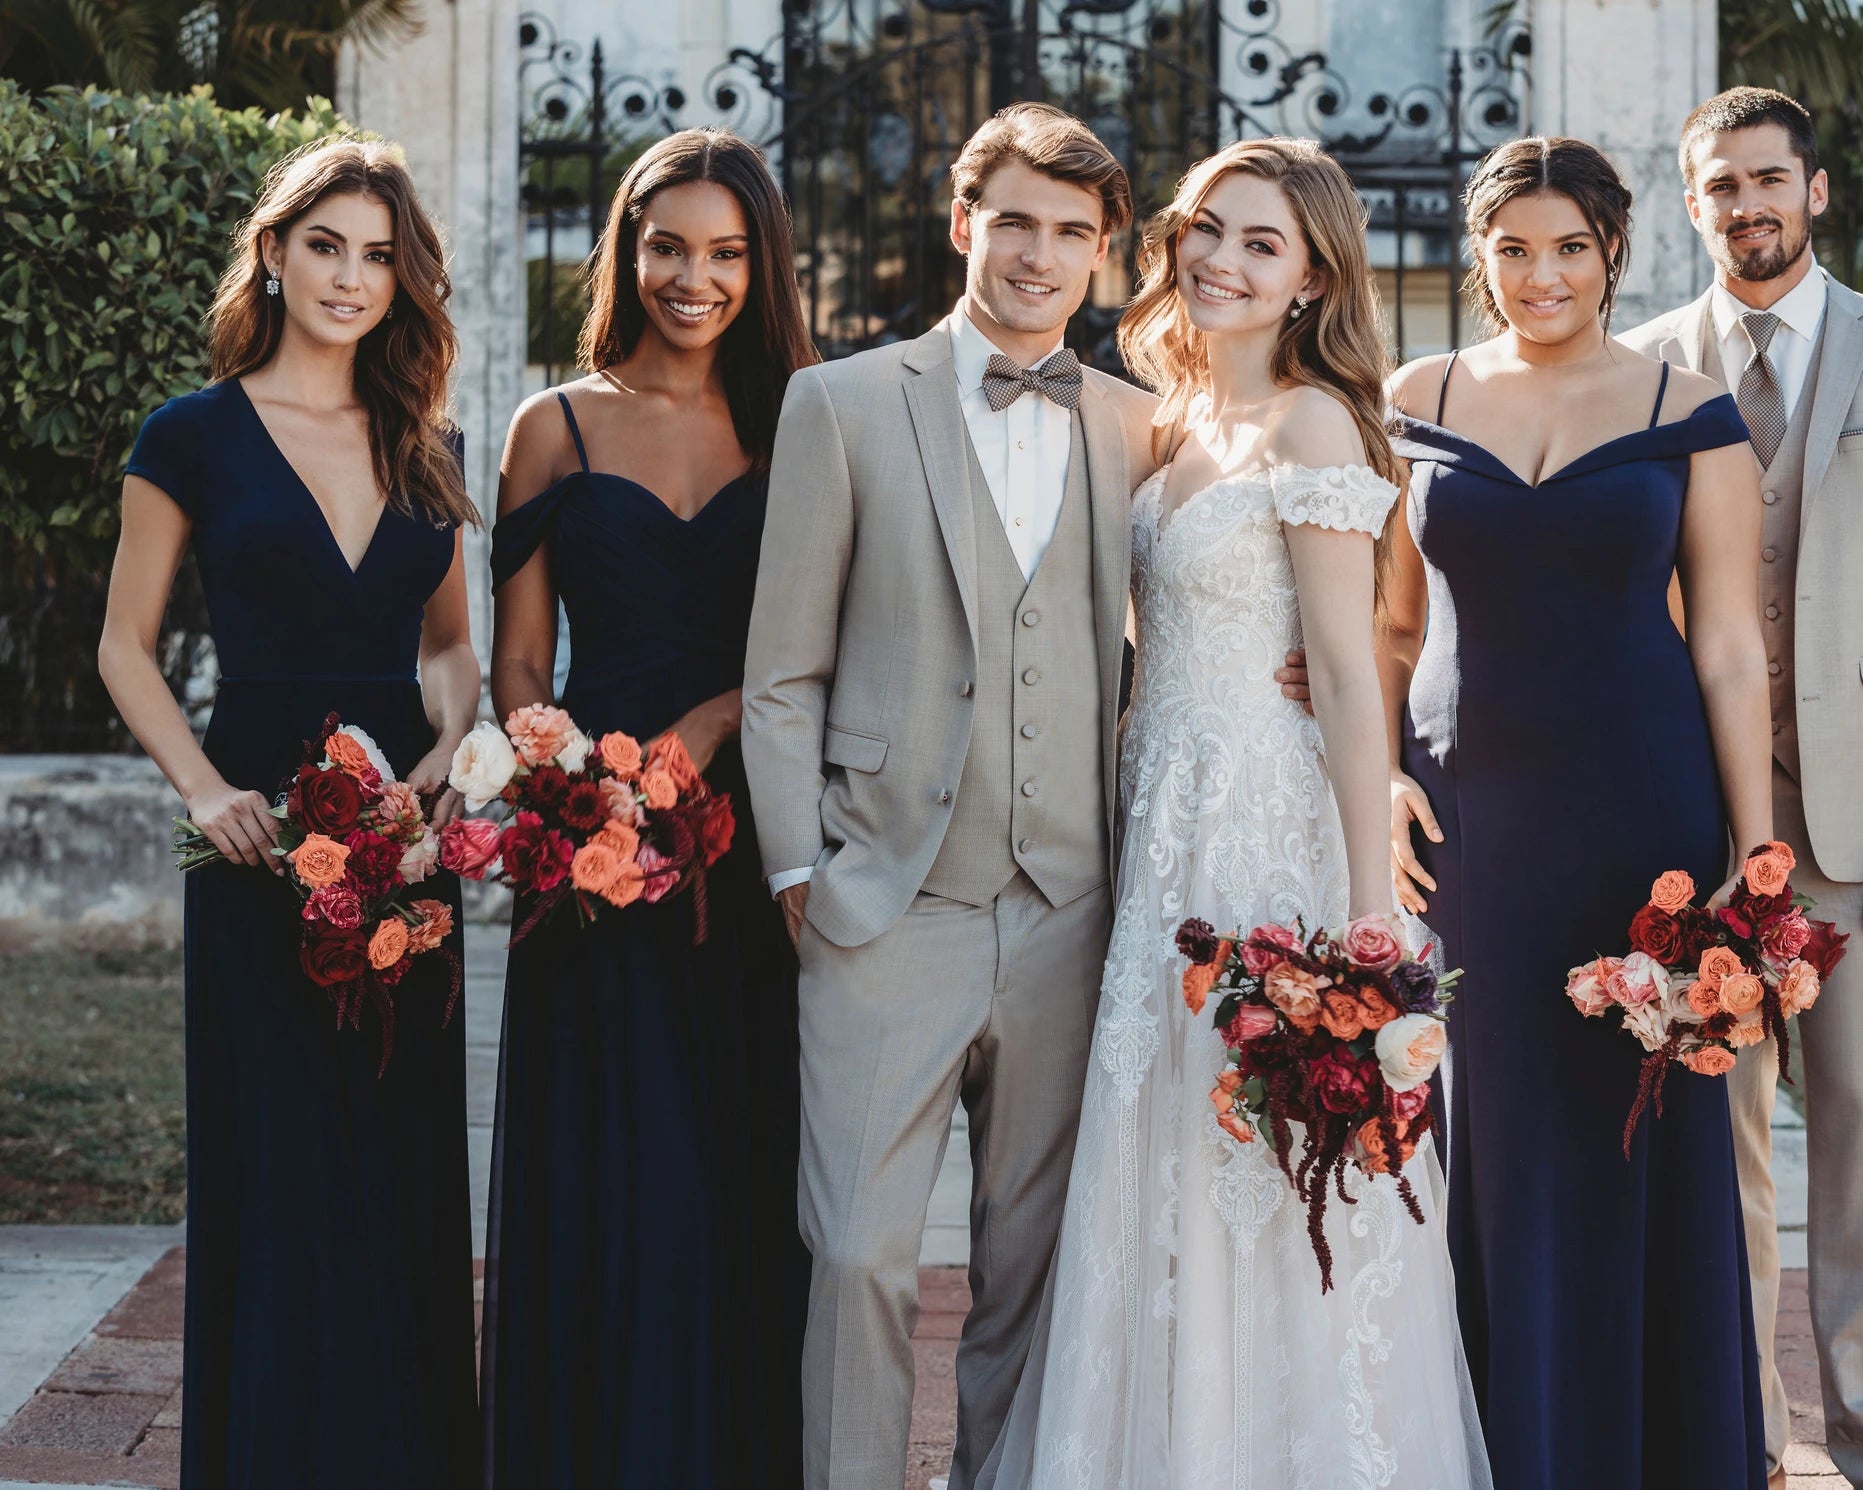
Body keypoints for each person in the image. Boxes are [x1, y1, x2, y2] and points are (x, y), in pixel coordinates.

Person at [984, 135, 1492, 1490]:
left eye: (1261, 242)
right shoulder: (1169, 413)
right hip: (1157, 817)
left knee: (1262, 1144)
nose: (1220, 258)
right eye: (1208, 228)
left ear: (1314, 274)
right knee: (1158, 1132)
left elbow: (1338, 661)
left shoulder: (1314, 422)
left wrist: (1368, 921)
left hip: (1261, 823)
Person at [740, 103, 1157, 1490]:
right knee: (854, 1246)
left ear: (1103, 254)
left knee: (1029, 1264)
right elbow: (782, 669)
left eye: (1071, 232)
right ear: (962, 220)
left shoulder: (1142, 430)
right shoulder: (843, 402)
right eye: (1016, 220)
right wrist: (799, 870)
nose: (1039, 255)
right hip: (885, 899)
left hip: (1071, 907)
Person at [1621, 87, 1863, 1490]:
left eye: (1767, 180)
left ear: (1817, 190)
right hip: (1693, 828)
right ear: (1691, 205)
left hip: (1859, 832)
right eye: (1718, 188)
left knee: (1861, 1149)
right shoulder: (1644, 365)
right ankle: (1737, 1438)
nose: (1746, 207)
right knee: (1711, 1164)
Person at [1382, 135, 1771, 1489]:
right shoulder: (1411, 396)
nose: (1539, 275)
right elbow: (1385, 625)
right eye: (1511, 249)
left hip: (1637, 821)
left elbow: (1725, 642)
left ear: (1611, 252)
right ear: (1480, 257)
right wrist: (1381, 772)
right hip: (1466, 819)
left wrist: (1755, 851)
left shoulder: (1690, 407)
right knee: (1480, 1122)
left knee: (1631, 1126)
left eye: (1567, 248)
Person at [98, 138, 480, 1489]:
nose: (351, 277)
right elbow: (125, 647)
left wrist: (437, 761)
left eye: (379, 255)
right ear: (273, 250)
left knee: (397, 1157)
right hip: (256, 832)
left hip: (402, 842)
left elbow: (447, 645)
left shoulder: (424, 438)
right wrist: (205, 790)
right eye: (327, 245)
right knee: (277, 1164)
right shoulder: (188, 433)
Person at [477, 128, 819, 1490]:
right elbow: (515, 660)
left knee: (732, 1175)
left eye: (727, 252)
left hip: (755, 851)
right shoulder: (550, 424)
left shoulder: (809, 412)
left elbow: (844, 636)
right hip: (592, 859)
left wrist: (716, 721)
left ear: (762, 264)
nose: (695, 276)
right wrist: (558, 781)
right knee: (615, 1179)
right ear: (626, 249)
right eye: (668, 245)